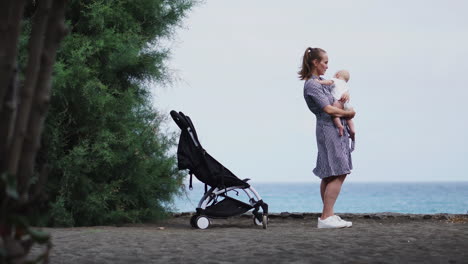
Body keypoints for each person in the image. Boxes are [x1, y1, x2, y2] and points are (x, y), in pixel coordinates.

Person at [299, 47, 355, 228]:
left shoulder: (323, 81)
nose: (327, 66)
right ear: (315, 62)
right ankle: (325, 217)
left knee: (330, 172)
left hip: (333, 128)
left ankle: (328, 215)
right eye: (325, 62)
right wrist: (349, 114)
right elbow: (328, 109)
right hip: (328, 129)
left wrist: (345, 96)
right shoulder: (312, 85)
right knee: (339, 171)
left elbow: (337, 95)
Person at [317, 70, 355, 140]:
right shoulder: (346, 85)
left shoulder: (335, 80)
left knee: (334, 113)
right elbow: (347, 94)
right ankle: (352, 130)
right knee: (349, 118)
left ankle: (339, 126)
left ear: (337, 75)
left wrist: (319, 82)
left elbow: (328, 82)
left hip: (339, 101)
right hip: (347, 103)